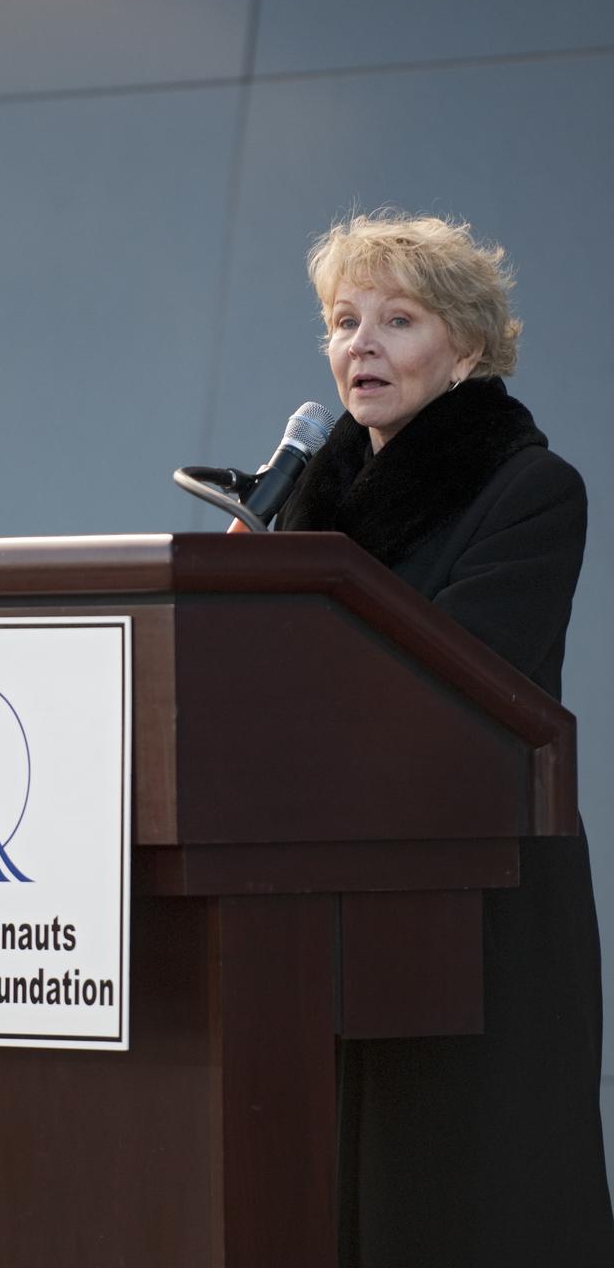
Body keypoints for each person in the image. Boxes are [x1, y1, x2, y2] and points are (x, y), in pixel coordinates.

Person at [274, 212, 614, 1266]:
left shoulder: (526, 489)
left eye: (396, 318)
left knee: (469, 1205)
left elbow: (453, 688)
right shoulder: (297, 510)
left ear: (464, 346)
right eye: (343, 320)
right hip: (318, 913)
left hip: (479, 909)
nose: (359, 343)